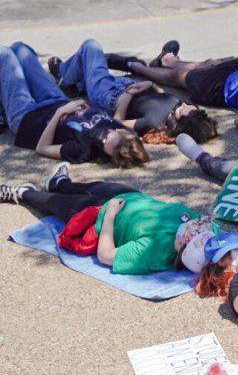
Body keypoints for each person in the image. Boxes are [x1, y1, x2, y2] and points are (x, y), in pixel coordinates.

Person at [0, 164, 205, 275]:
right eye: (199, 230)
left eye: (193, 236)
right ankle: (59, 182)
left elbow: (106, 255)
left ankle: (22, 193)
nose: (197, 226)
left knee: (54, 202)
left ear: (182, 249)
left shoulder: (151, 253)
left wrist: (109, 216)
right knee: (82, 188)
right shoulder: (204, 231)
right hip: (131, 197)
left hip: (99, 215)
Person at [1, 42, 147, 167]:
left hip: (28, 118)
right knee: (21, 49)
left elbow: (42, 148)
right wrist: (131, 93)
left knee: (5, 55)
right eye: (107, 136)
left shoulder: (84, 149)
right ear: (123, 133)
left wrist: (60, 114)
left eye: (103, 145)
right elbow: (117, 120)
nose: (102, 139)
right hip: (55, 100)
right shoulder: (120, 131)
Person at [48, 39, 217, 145]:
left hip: (109, 95)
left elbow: (115, 123)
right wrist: (150, 85)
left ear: (180, 123)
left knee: (90, 47)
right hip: (128, 84)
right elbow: (159, 96)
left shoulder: (153, 123)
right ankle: (80, 81)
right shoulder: (185, 108)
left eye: (183, 110)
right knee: (118, 63)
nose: (184, 104)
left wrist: (127, 98)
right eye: (187, 105)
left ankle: (65, 78)